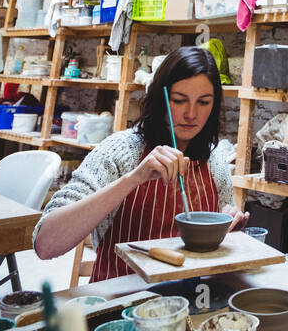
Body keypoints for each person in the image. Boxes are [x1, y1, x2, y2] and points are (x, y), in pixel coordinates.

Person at [34, 45, 248, 281]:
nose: (191, 114)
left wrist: (228, 230)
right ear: (161, 99)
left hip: (193, 299)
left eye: (204, 102)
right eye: (179, 101)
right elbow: (46, 245)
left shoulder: (215, 163)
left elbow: (219, 255)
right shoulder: (120, 151)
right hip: (120, 302)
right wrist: (133, 179)